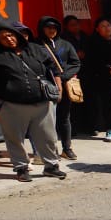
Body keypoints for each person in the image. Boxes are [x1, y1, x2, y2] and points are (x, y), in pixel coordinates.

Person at [0, 22, 66, 182]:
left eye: (10, 35)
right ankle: (21, 168)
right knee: (14, 139)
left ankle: (51, 166)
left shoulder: (35, 49)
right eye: (3, 38)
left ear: (16, 34)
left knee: (48, 136)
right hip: (10, 104)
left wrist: (59, 88)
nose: (9, 39)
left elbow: (53, 68)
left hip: (42, 103)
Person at [36, 17, 80, 160]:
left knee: (64, 118)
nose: (51, 30)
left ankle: (67, 148)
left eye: (54, 27)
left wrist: (63, 77)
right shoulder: (35, 45)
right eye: (48, 27)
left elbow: (76, 63)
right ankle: (50, 150)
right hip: (45, 87)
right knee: (47, 120)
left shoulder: (66, 44)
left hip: (64, 87)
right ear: (42, 28)